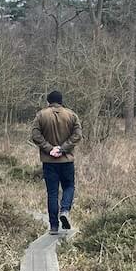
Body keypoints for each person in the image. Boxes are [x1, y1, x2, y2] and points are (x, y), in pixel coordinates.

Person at [30, 90, 82, 236]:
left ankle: (53, 226)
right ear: (61, 101)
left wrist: (49, 149)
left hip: (49, 161)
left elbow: (35, 135)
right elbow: (77, 135)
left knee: (52, 192)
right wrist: (63, 149)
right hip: (66, 160)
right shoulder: (72, 115)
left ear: (48, 102)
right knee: (69, 186)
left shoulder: (41, 115)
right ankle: (65, 210)